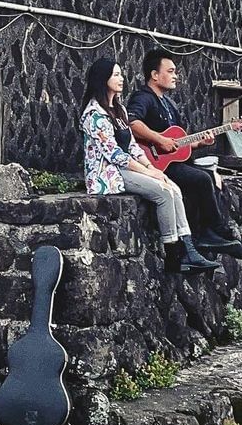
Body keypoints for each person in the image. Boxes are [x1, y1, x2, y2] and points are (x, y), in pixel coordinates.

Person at [79, 58, 220, 273]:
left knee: (173, 187)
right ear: (102, 79)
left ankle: (189, 249)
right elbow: (114, 154)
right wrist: (147, 172)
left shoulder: (120, 111)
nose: (121, 78)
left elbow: (133, 146)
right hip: (107, 174)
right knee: (162, 192)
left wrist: (152, 168)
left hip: (126, 168)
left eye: (120, 74)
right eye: (115, 74)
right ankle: (173, 255)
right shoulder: (94, 115)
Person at [127, 48, 242, 261]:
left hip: (173, 163)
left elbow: (177, 144)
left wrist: (199, 143)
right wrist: (159, 139)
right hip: (153, 165)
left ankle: (207, 234)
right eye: (170, 71)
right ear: (154, 75)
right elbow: (132, 123)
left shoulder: (170, 104)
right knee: (201, 178)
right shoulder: (143, 98)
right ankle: (216, 230)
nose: (175, 76)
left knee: (212, 178)